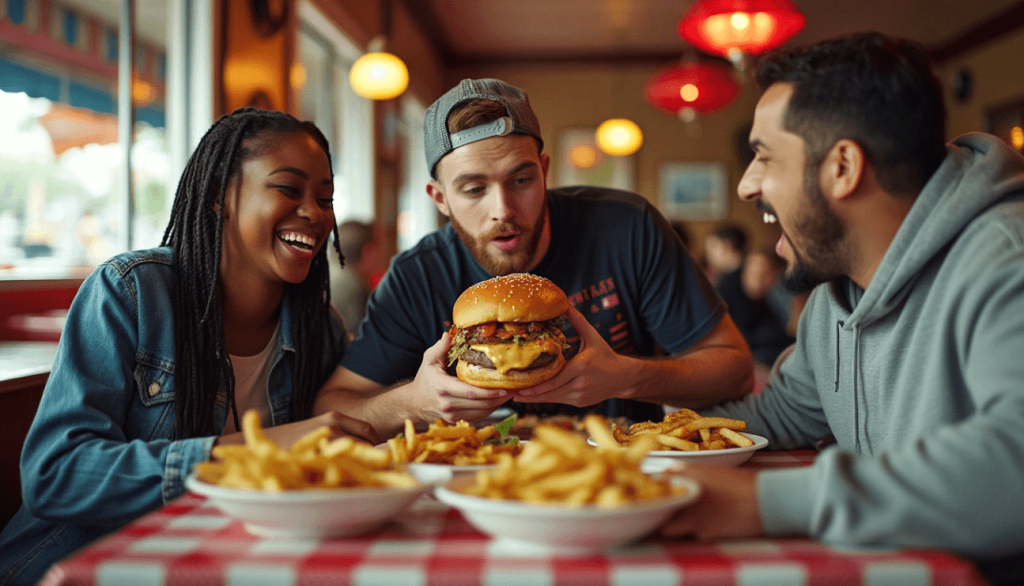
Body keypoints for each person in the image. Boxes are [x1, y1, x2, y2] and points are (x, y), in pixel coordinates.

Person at [660, 32, 1024, 584]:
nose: (746, 184)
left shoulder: (1006, 260)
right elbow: (777, 414)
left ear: (843, 168)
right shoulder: (835, 296)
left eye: (762, 156)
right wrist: (635, 421)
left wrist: (765, 500)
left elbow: (1013, 466)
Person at [0, 108, 376, 586]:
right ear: (220, 194)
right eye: (288, 189)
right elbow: (55, 475)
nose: (316, 213)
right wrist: (247, 454)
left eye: (325, 198)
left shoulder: (317, 326)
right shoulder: (131, 293)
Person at [314, 78, 753, 436]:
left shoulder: (627, 227)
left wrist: (628, 376)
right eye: (473, 189)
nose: (502, 210)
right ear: (439, 198)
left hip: (622, 470)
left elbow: (734, 370)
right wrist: (415, 402)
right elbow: (333, 405)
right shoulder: (417, 275)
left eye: (521, 180)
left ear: (544, 171)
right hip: (476, 481)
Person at [329, 219, 389, 334]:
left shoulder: (330, 276)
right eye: (380, 246)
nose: (385, 253)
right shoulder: (354, 289)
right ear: (368, 253)